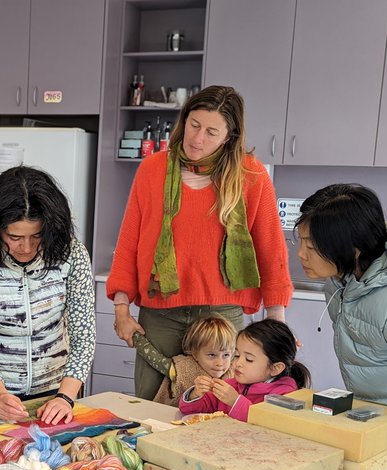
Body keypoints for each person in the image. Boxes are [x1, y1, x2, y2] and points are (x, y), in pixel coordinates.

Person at [107, 85, 293, 400]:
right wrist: (121, 311)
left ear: (229, 137)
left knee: (218, 406)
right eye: (194, 125)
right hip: (161, 314)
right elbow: (130, 242)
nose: (197, 138)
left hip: (222, 315)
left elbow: (271, 250)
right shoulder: (152, 170)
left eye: (211, 132)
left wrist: (277, 326)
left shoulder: (251, 175)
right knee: (153, 404)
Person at [295, 183, 387, 469]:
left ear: (353, 248)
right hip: (381, 434)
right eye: (300, 242)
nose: (300, 254)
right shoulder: (341, 280)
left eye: (312, 246)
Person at [0, 166, 95, 426]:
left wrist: (66, 396)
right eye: (15, 237)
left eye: (37, 236)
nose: (27, 248)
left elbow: (83, 334)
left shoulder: (72, 255)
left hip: (56, 391)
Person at [179, 318, 309, 422]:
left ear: (275, 368)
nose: (238, 363)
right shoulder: (232, 385)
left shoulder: (285, 395)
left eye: (249, 359)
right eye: (237, 355)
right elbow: (187, 410)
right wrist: (195, 394)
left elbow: (268, 423)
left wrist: (235, 401)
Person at [133, 315, 237, 406]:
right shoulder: (183, 369)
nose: (220, 363)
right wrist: (134, 334)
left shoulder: (233, 372)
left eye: (226, 355)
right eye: (212, 355)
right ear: (195, 353)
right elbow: (155, 359)